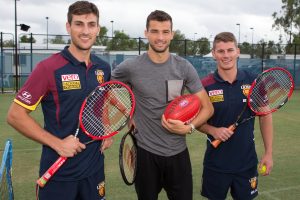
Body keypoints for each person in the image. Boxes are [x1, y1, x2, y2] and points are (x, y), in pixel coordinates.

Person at [6, 1, 112, 200]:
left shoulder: (103, 68)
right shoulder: (48, 68)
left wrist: (106, 128)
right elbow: (15, 115)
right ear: (68, 26)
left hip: (94, 169)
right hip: (59, 173)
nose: (85, 31)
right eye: (79, 24)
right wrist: (57, 143)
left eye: (91, 24)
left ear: (98, 28)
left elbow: (102, 99)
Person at [112, 10, 214, 200]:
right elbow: (108, 90)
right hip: (145, 153)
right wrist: (129, 114)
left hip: (178, 153)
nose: (160, 37)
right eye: (155, 31)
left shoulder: (184, 67)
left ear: (172, 34)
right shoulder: (130, 67)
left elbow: (208, 108)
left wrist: (189, 128)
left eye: (165, 32)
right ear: (146, 33)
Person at [199, 32, 273, 200]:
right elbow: (195, 122)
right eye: (221, 51)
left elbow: (265, 116)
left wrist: (268, 153)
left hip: (246, 164)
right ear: (214, 53)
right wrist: (213, 130)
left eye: (230, 50)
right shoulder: (204, 85)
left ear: (237, 52)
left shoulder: (254, 81)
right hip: (215, 164)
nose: (226, 55)